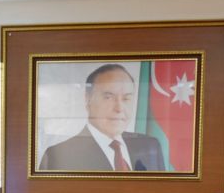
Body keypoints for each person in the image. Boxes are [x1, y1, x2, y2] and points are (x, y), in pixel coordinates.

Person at [39, 63, 168, 171]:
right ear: (87, 99)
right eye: (108, 97)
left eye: (126, 98)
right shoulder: (59, 155)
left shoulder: (150, 146)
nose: (119, 108)